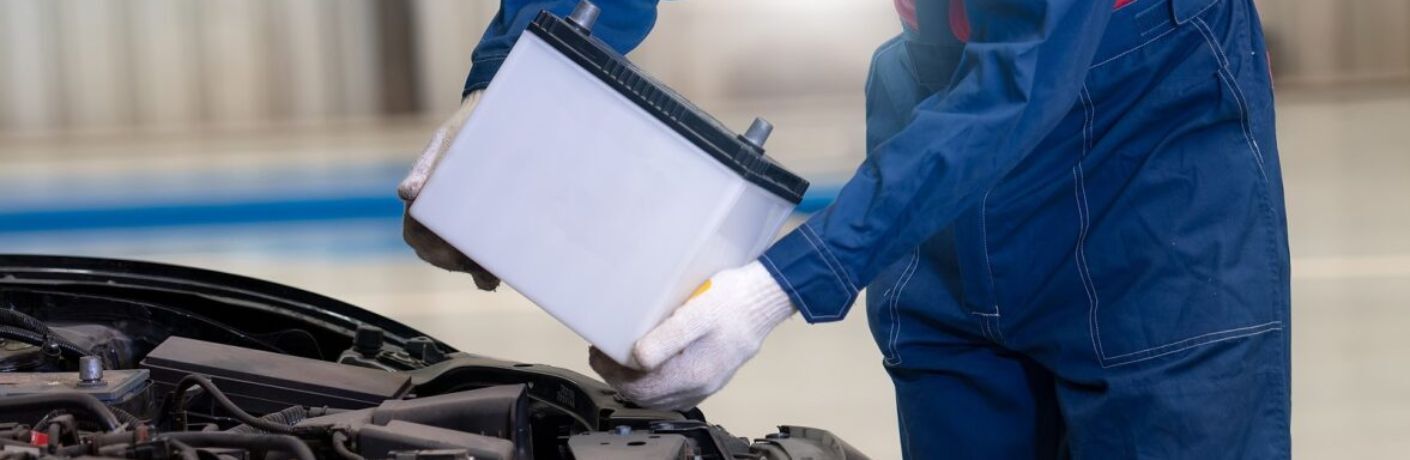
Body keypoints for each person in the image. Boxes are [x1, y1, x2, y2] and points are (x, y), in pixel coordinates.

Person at [399, 0, 1291, 457]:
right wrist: (510, 89)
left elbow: (1030, 72)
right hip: (940, 104)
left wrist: (777, 286)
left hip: (1148, 151)